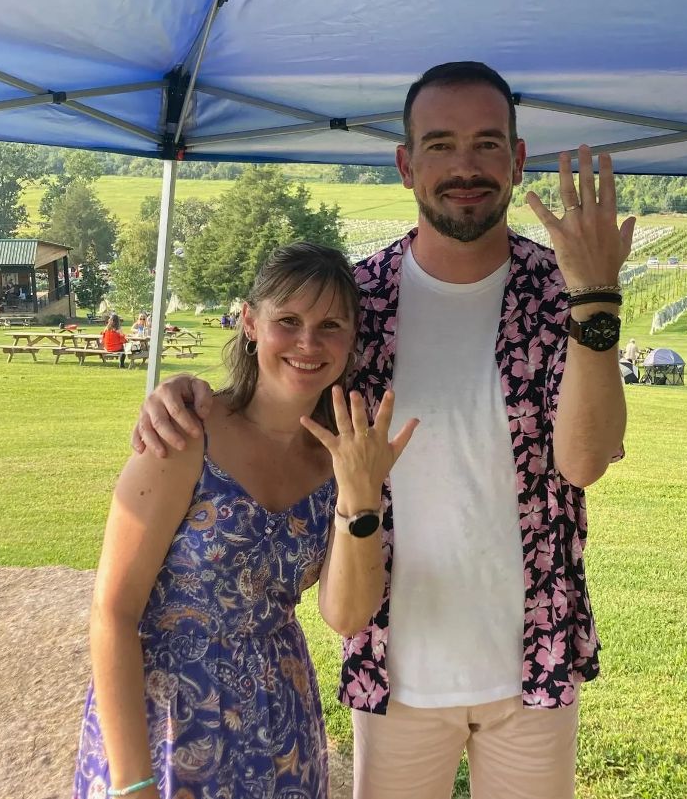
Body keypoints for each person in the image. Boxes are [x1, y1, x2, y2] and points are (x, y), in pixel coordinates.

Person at [132, 61, 632, 799]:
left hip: (533, 666)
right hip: (394, 667)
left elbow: (584, 461)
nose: (465, 166)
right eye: (440, 145)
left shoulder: (562, 290)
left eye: (488, 143)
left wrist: (595, 296)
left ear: (518, 159)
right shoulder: (356, 304)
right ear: (405, 163)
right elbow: (273, 397)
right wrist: (189, 394)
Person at [73, 242, 418, 799]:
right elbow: (112, 614)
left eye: (331, 324)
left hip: (281, 725)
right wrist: (133, 783)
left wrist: (360, 494)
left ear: (352, 340)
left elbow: (348, 616)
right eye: (288, 320)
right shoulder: (185, 433)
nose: (308, 342)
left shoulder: (342, 460)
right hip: (164, 721)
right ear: (251, 322)